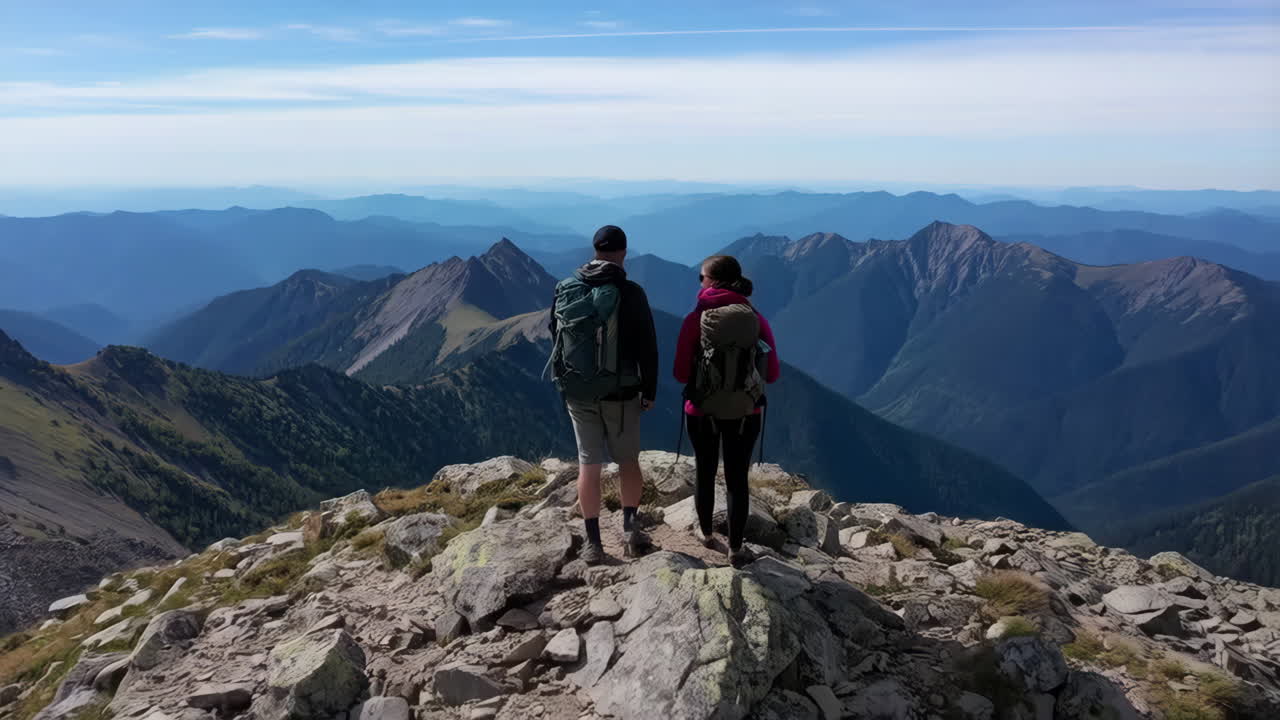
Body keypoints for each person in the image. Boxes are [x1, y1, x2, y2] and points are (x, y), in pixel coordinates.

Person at [548, 225, 659, 565]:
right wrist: (649, 389)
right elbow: (647, 346)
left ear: (594, 250)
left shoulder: (567, 288)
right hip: (622, 393)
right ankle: (629, 529)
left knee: (588, 464)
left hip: (579, 392)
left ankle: (593, 543)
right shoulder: (631, 292)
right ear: (624, 252)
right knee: (627, 462)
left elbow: (554, 333)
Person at [673, 255, 780, 567]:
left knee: (705, 471)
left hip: (700, 410)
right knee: (737, 479)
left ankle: (706, 535)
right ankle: (735, 548)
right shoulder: (756, 319)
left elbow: (680, 373)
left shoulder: (695, 320)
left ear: (713, 282)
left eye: (701, 277)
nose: (700, 282)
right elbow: (771, 373)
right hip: (746, 413)